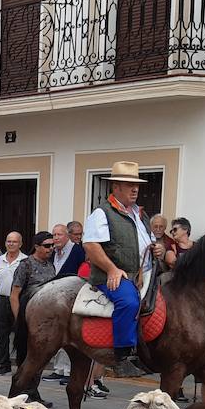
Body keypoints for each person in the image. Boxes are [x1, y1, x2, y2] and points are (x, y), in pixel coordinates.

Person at [83, 161, 155, 378]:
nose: (135, 189)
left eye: (137, 185)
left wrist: (157, 249)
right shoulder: (102, 213)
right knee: (129, 301)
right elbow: (91, 246)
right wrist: (112, 269)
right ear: (115, 187)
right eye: (128, 184)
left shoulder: (141, 215)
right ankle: (121, 356)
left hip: (143, 273)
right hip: (112, 275)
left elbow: (147, 243)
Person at [9, 232, 56, 378]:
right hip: (28, 317)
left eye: (52, 245)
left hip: (46, 319)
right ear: (36, 246)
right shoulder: (26, 265)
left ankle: (33, 390)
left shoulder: (50, 265)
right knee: (27, 357)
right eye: (47, 246)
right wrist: (20, 320)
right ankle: (22, 388)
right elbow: (14, 295)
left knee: (40, 357)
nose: (51, 248)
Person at [0, 231, 28, 375]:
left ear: (20, 244)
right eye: (9, 241)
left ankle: (22, 365)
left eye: (14, 242)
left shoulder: (25, 261)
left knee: (20, 334)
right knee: (2, 334)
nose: (11, 244)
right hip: (1, 299)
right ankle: (4, 364)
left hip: (19, 301)